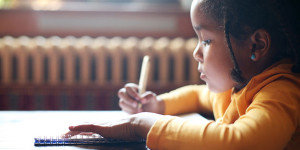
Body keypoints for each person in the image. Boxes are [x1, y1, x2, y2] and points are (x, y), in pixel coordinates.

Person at [65, 0, 300, 149]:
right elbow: (198, 96)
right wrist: (157, 104)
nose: (196, 52)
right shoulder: (239, 85)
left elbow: (242, 142)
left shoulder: (281, 92)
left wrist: (144, 123)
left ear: (256, 46)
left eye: (206, 40)